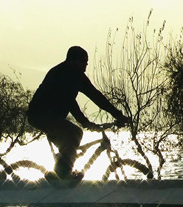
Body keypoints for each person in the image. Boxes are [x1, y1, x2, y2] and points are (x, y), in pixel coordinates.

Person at [27, 46, 131, 180]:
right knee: (75, 133)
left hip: (49, 117)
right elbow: (68, 100)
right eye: (84, 62)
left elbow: (96, 96)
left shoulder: (76, 76)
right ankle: (64, 176)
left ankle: (59, 175)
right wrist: (85, 122)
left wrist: (117, 114)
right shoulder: (64, 73)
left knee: (68, 148)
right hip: (40, 115)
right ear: (73, 61)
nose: (85, 67)